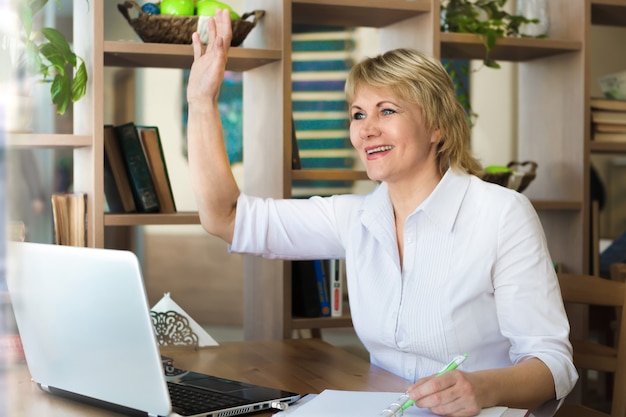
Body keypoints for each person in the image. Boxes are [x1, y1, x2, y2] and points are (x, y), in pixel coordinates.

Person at [186, 10, 578, 417]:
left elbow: (553, 363)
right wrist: (201, 101)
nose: (366, 129)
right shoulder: (355, 217)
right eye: (358, 114)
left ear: (437, 126)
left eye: (387, 111)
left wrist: (479, 388)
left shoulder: (501, 214)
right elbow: (226, 218)